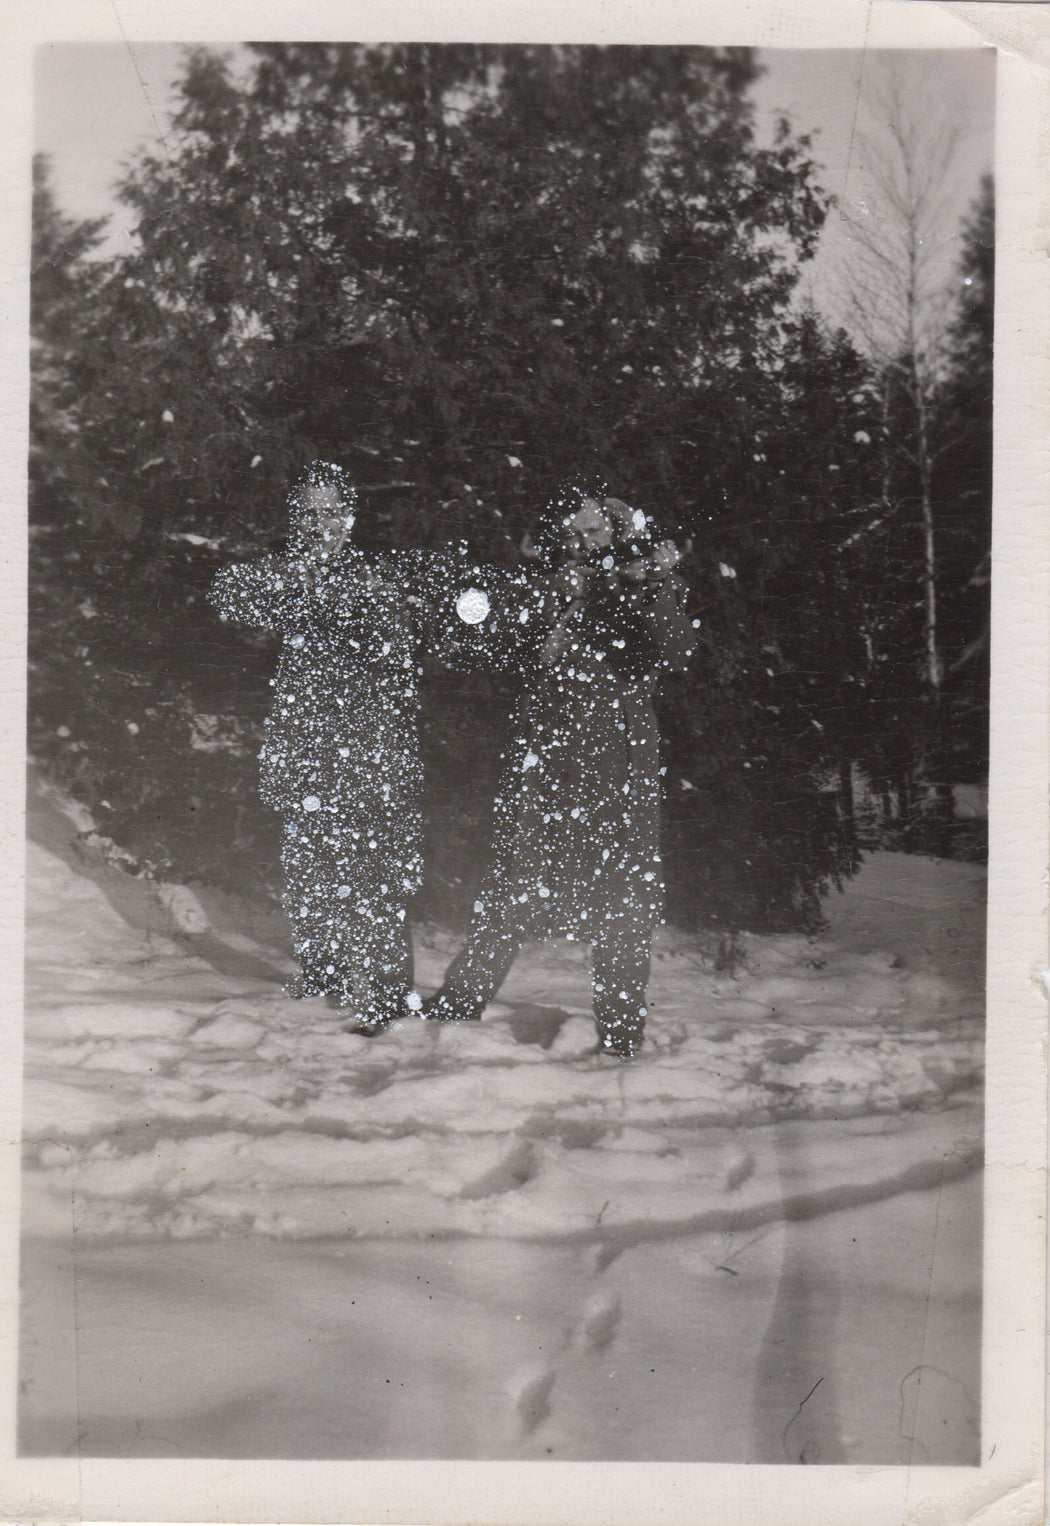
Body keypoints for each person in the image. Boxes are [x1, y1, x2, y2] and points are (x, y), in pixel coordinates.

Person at [207, 461, 505, 1034]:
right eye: (310, 514)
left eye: (331, 512)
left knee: (374, 877)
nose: (323, 525)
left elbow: (409, 638)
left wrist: (341, 596)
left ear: (350, 516)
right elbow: (230, 593)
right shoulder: (288, 575)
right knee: (310, 867)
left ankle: (388, 995)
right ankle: (323, 969)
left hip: (369, 757)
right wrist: (304, 583)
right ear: (297, 522)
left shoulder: (378, 577)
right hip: (307, 751)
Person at [425, 481, 695, 1058]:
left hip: (618, 760)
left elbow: (676, 652)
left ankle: (621, 1035)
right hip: (543, 757)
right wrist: (549, 600)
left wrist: (655, 586)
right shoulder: (548, 584)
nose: (584, 541)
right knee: (512, 882)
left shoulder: (643, 585)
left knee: (622, 898)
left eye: (596, 530)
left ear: (619, 534)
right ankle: (456, 1008)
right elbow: (482, 634)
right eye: (574, 531)